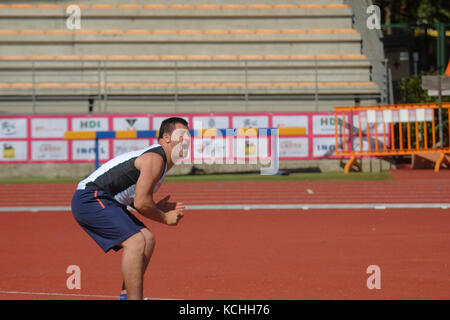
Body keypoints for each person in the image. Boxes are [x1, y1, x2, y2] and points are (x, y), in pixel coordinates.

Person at [71, 117, 190, 300]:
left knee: (147, 239)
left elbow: (136, 199)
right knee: (136, 241)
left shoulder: (160, 161)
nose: (187, 140)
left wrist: (156, 207)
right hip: (90, 198)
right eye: (181, 135)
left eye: (189, 136)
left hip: (104, 199)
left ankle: (127, 296)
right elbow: (142, 203)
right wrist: (165, 217)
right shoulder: (155, 159)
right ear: (166, 137)